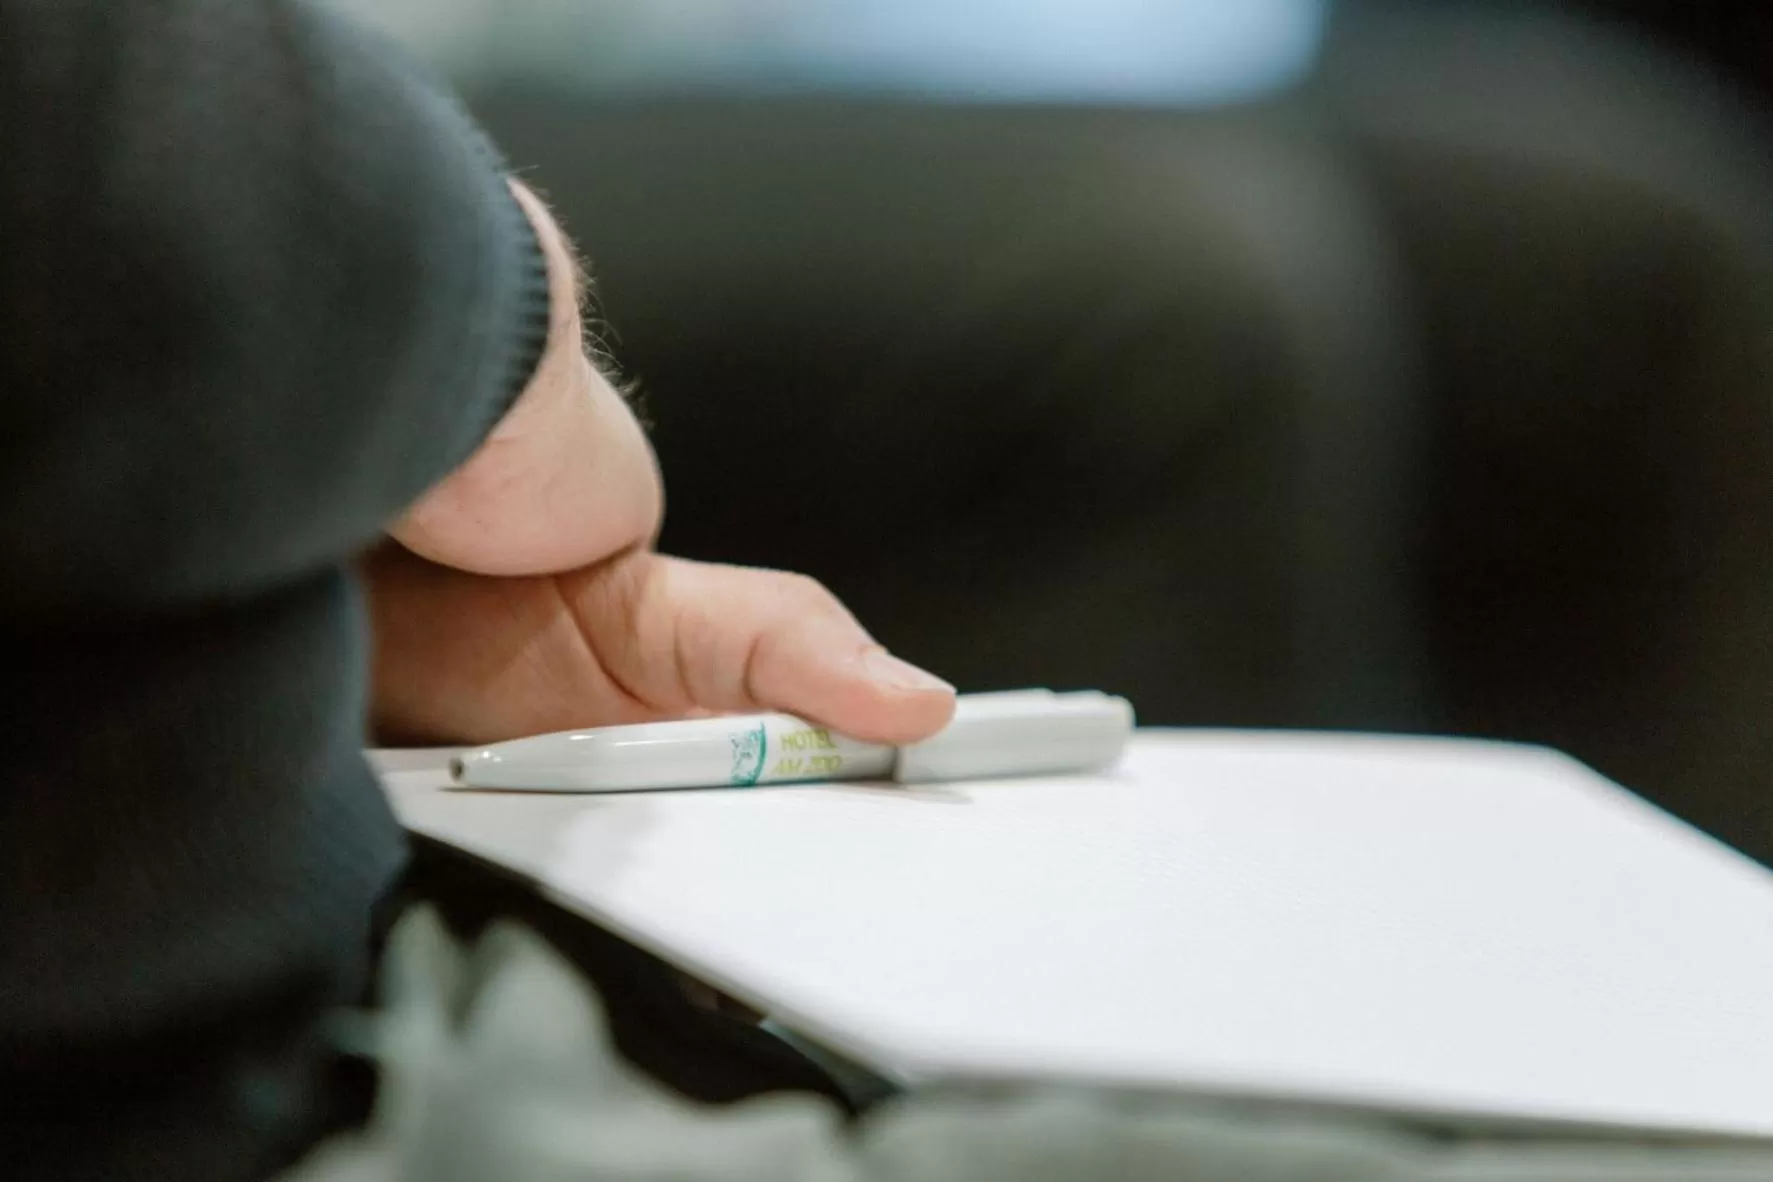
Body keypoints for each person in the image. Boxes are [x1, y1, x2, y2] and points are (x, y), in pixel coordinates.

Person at [4, 3, 1770, 1181]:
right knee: (1170, 291)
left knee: (1636, 258)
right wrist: (498, 309)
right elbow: (139, 151)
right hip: (250, 1083)